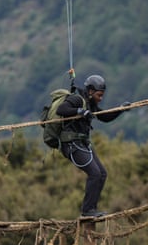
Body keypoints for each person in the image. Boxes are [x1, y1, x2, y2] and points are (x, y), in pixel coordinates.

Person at [56, 74, 131, 217]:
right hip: (71, 144)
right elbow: (62, 109)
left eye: (102, 95)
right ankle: (87, 210)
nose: (100, 98)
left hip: (82, 143)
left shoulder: (91, 104)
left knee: (102, 174)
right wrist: (79, 111)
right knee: (95, 174)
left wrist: (120, 109)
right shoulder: (77, 99)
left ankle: (92, 209)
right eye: (99, 95)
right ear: (90, 91)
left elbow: (104, 116)